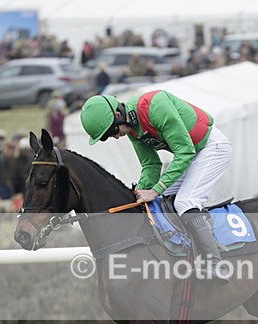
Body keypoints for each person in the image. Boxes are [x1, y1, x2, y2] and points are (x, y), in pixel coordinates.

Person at [80, 92, 233, 281]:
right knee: (161, 201)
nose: (116, 137)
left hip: (212, 148)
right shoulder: (133, 130)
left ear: (118, 115)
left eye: (112, 132)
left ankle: (215, 263)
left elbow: (184, 152)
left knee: (185, 202)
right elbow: (151, 165)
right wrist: (136, 192)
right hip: (193, 154)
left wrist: (154, 190)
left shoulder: (154, 107)